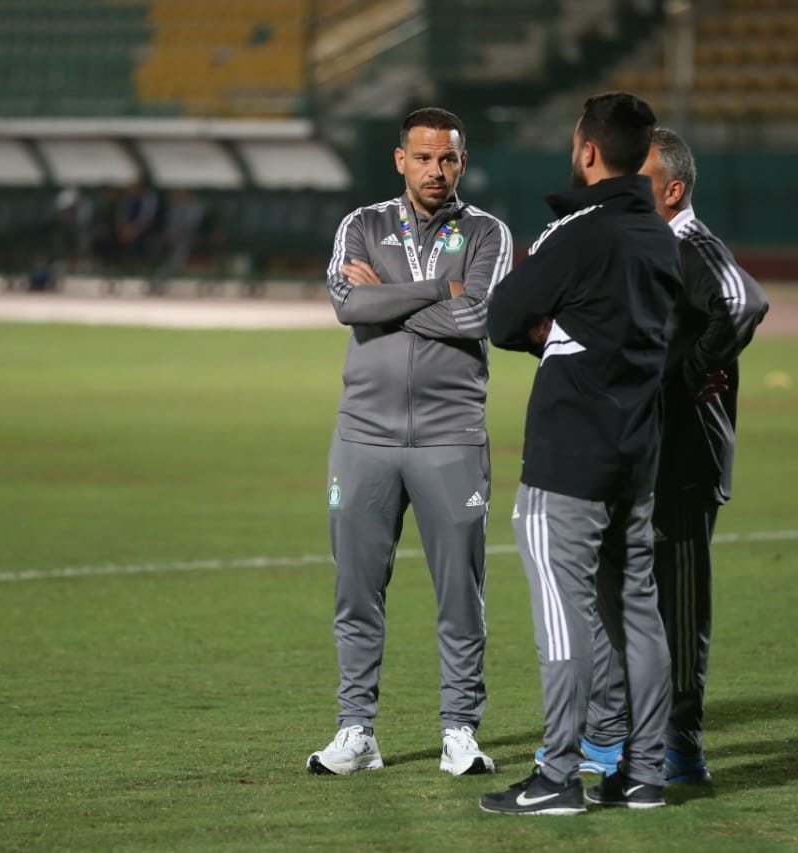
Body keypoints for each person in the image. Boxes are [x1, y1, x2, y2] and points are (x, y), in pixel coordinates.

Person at [546, 127, 770, 786]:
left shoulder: (691, 244)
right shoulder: (630, 244)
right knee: (609, 594)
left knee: (676, 602)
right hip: (623, 449)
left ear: (672, 191)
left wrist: (691, 371)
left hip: (682, 459)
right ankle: (613, 732)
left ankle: (679, 742)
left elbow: (744, 301)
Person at [480, 92, 682, 816]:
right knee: (638, 612)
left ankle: (559, 776)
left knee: (563, 615)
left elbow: (503, 315)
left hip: (569, 454)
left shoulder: (578, 231)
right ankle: (646, 773)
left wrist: (549, 333)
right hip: (638, 452)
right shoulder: (660, 234)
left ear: (588, 150)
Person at [309, 107, 513, 778]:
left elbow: (477, 315)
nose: (436, 170)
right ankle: (356, 730)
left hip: (451, 436)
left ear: (462, 161)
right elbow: (349, 305)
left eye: (447, 158)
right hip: (363, 436)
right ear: (401, 159)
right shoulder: (361, 225)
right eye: (423, 157)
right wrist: (436, 291)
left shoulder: (487, 232)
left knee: (460, 594)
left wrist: (391, 298)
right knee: (356, 590)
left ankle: (460, 730)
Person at [149, 188, 205, 296]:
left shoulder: (194, 206)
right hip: (170, 239)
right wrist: (167, 234)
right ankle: (156, 277)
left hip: (188, 238)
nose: (174, 196)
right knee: (154, 246)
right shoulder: (174, 206)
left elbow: (191, 225)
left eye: (177, 193)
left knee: (176, 257)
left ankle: (158, 280)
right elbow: (168, 225)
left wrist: (175, 233)